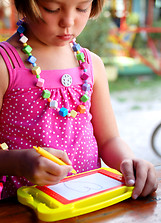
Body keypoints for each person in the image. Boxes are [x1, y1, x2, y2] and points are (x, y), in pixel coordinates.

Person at [0, 0, 158, 200]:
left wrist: (130, 162)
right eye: (52, 9)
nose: (68, 21)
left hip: (88, 205)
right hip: (24, 213)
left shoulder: (91, 65)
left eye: (82, 8)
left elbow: (109, 140)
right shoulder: (5, 65)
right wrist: (19, 163)